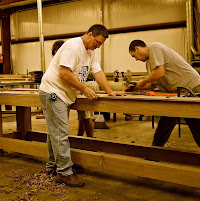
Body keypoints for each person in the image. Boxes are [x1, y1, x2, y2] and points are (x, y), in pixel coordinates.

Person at [39, 24, 124, 187]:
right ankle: (64, 172)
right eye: (97, 42)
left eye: (101, 45)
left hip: (64, 95)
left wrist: (109, 91)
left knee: (55, 132)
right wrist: (84, 88)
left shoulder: (90, 52)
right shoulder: (73, 46)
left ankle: (53, 166)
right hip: (53, 92)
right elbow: (64, 73)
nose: (98, 46)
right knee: (60, 133)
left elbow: (97, 72)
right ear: (90, 34)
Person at [128, 40, 200, 154]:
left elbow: (159, 73)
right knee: (164, 125)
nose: (135, 59)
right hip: (176, 94)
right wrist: (134, 87)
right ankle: (154, 153)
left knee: (198, 126)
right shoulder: (149, 63)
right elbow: (154, 83)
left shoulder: (155, 48)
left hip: (190, 87)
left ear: (137, 49)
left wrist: (141, 82)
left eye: (134, 56)